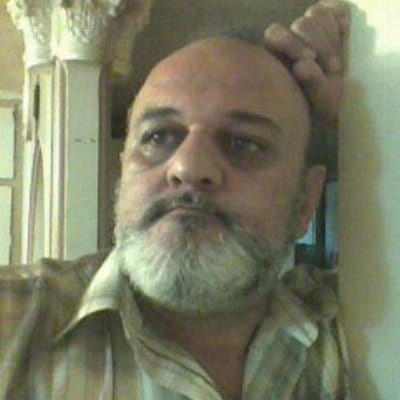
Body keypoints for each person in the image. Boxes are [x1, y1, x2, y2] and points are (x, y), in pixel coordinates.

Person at [0, 1, 350, 399]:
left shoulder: (361, 326)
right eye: (158, 136)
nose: (187, 167)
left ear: (306, 199)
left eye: (243, 143)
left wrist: (378, 106)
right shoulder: (11, 325)